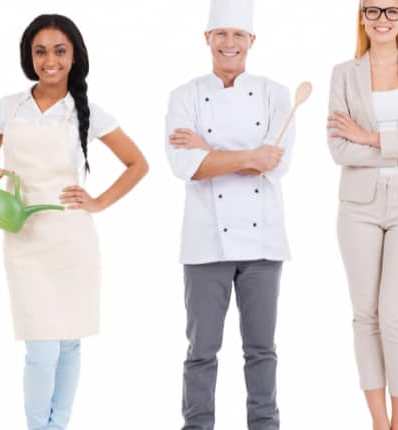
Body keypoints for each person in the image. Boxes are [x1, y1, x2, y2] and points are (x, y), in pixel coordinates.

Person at [0, 13, 147, 430]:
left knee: (68, 345)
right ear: (29, 56)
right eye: (40, 51)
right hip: (23, 240)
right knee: (40, 349)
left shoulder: (88, 113)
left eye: (59, 51)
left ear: (74, 56)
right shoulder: (8, 108)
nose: (50, 60)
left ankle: (57, 426)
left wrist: (97, 202)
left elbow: (138, 164)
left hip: (72, 240)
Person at [164, 0, 294, 428]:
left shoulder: (277, 94)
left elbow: (277, 164)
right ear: (207, 39)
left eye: (239, 35)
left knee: (262, 350)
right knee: (201, 352)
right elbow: (187, 168)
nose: (229, 43)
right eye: (221, 34)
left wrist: (211, 151)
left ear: (251, 41)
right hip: (205, 242)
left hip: (263, 243)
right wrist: (249, 155)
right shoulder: (183, 96)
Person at [326, 1, 398, 429]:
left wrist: (368, 136)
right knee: (365, 313)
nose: (382, 20)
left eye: (391, 11)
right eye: (373, 10)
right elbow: (339, 148)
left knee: (395, 312)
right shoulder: (344, 73)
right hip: (359, 204)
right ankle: (378, 421)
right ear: (361, 16)